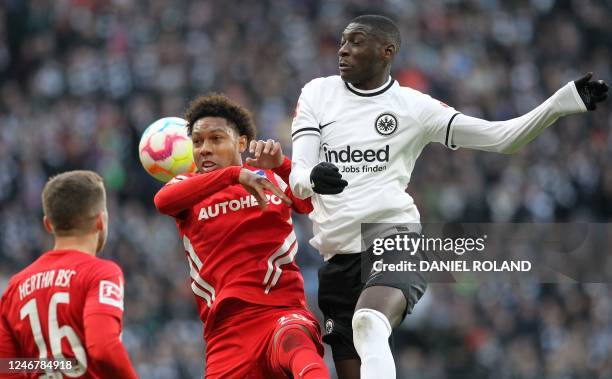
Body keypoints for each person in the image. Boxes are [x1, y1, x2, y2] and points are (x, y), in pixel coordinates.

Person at [289, 14, 609, 379]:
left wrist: (561, 102)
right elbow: (300, 170)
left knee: (368, 322)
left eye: (356, 42)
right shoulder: (318, 92)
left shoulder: (414, 107)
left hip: (394, 239)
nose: (343, 50)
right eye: (343, 41)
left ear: (387, 51)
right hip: (336, 258)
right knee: (353, 363)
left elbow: (502, 137)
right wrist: (311, 178)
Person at [153, 93, 330, 379]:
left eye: (216, 139)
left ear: (242, 142)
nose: (205, 149)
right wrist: (234, 175)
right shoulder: (188, 186)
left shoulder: (269, 177)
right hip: (226, 333)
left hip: (281, 311)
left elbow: (311, 204)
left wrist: (282, 165)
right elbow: (163, 201)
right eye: (197, 142)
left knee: (298, 346)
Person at [0, 170, 138, 379]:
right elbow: (103, 348)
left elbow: (7, 367)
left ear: (48, 224)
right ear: (101, 221)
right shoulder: (100, 273)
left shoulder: (15, 287)